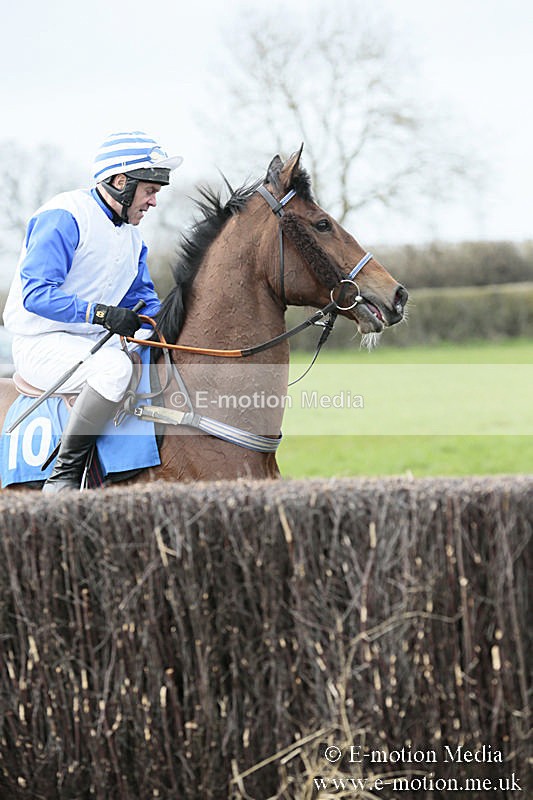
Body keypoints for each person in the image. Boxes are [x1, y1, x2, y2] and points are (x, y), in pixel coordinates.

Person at [2, 130, 183, 492]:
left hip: (90, 343)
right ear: (121, 183)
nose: (153, 203)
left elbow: (146, 301)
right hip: (40, 341)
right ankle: (63, 476)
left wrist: (156, 336)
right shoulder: (64, 215)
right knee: (114, 368)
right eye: (149, 191)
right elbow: (36, 294)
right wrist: (101, 315)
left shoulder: (133, 238)